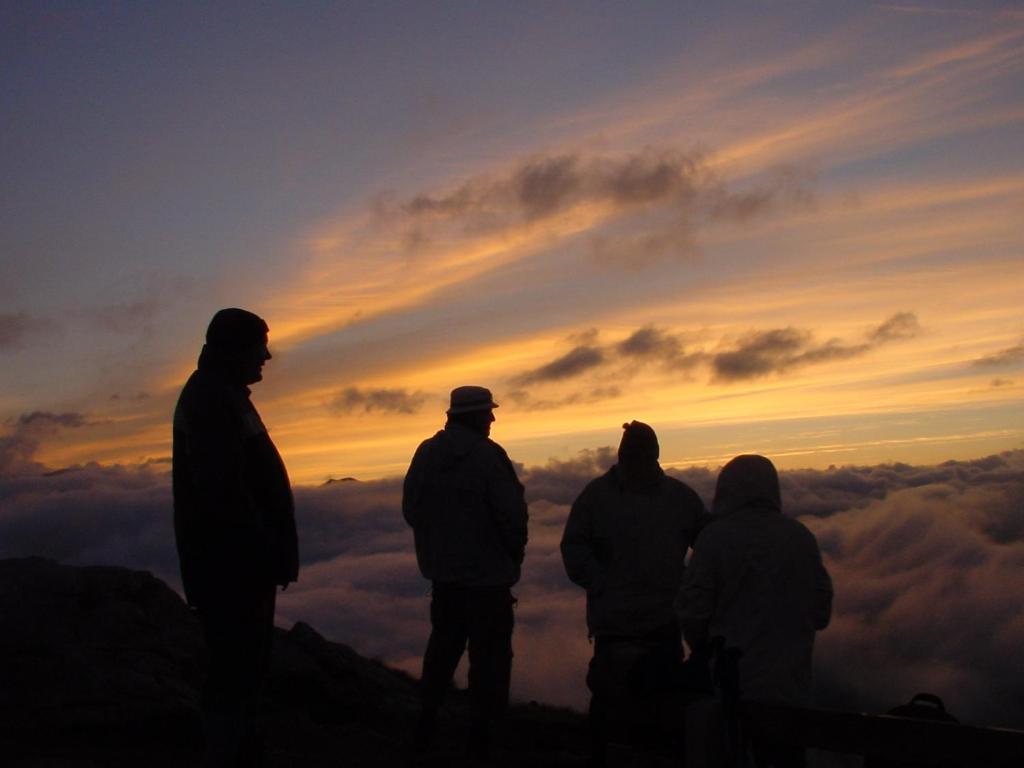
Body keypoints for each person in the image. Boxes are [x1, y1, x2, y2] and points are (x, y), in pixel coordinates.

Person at [172, 308, 299, 767]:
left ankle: (239, 749)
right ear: (232, 347)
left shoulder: (224, 394)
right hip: (231, 567)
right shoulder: (211, 399)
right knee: (235, 669)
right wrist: (263, 552)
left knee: (243, 667)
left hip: (236, 563)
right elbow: (223, 492)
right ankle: (229, 754)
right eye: (258, 345)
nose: (266, 355)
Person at [561, 421, 706, 766]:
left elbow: (708, 548)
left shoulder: (680, 499)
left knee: (658, 708)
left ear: (654, 455)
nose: (636, 458)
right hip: (617, 624)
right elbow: (575, 548)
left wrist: (691, 589)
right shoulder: (597, 497)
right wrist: (602, 584)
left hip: (661, 622)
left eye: (642, 451)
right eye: (631, 452)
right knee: (613, 706)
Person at [675, 454, 833, 768]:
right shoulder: (801, 538)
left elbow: (693, 611)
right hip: (792, 694)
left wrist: (705, 647)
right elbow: (820, 612)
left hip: (731, 694)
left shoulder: (715, 540)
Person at [402, 386, 528, 759]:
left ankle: (426, 725)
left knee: (442, 651)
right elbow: (512, 516)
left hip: (444, 580)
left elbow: (412, 510)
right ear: (474, 415)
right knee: (489, 662)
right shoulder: (489, 458)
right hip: (489, 583)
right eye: (487, 412)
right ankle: (482, 740)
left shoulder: (426, 454)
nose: (492, 419)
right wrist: (511, 555)